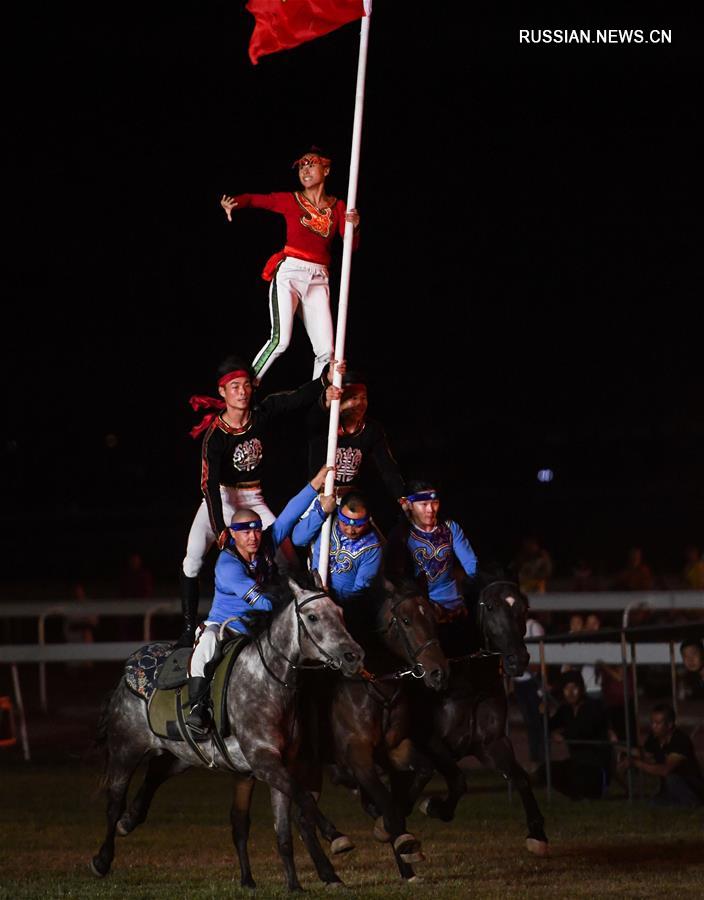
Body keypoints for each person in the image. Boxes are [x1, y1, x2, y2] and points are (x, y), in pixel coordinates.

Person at [178, 355, 340, 647]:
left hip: (252, 496)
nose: (241, 392)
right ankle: (189, 630)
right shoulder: (215, 436)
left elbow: (292, 400)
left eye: (245, 386)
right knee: (192, 558)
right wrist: (220, 529)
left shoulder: (260, 414)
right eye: (234, 387)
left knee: (286, 554)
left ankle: (302, 616)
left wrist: (324, 382)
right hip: (223, 497)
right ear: (222, 392)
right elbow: (209, 486)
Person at [186, 465, 333, 733]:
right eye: (244, 532)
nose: (253, 537)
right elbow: (263, 601)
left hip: (260, 625)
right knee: (206, 645)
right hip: (229, 627)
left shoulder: (266, 542)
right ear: (232, 534)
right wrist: (297, 600)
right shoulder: (227, 566)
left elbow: (288, 515)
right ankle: (197, 706)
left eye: (255, 530)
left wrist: (317, 489)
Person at [220, 147, 360, 380]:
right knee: (281, 340)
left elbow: (350, 247)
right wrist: (235, 202)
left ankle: (319, 403)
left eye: (311, 164)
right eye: (301, 166)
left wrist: (354, 226)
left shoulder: (338, 207)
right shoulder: (291, 200)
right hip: (291, 273)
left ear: (326, 170)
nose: (305, 169)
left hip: (318, 278)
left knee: (327, 352)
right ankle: (248, 386)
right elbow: (257, 200)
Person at [387, 481, 478, 657]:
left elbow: (471, 565)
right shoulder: (401, 535)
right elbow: (395, 576)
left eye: (434, 503)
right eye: (424, 504)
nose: (431, 509)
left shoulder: (450, 528)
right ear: (409, 504)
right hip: (420, 613)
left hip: (454, 609)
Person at [306, 370, 405, 506]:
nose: (360, 403)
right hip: (318, 496)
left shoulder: (371, 429)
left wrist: (401, 496)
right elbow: (313, 417)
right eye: (353, 398)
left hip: (349, 500)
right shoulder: (323, 423)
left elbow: (387, 467)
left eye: (363, 398)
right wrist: (328, 402)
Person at [292, 490, 383, 604]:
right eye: (345, 523)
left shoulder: (372, 548)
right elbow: (298, 539)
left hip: (341, 607)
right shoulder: (328, 519)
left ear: (368, 520)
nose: (350, 531)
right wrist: (321, 512)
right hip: (311, 594)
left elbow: (359, 593)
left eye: (358, 526)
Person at [537, 670, 611, 800]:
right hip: (576, 762)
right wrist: (544, 714)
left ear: (581, 688)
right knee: (545, 770)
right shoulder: (565, 710)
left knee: (579, 774)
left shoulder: (593, 707)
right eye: (566, 688)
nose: (570, 693)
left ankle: (587, 794)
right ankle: (576, 795)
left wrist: (563, 735)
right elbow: (548, 727)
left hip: (595, 765)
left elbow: (585, 730)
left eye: (574, 688)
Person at [619, 705, 704, 808]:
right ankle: (679, 804)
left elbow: (665, 770)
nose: (653, 726)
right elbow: (645, 753)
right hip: (669, 789)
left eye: (657, 723)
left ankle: (691, 802)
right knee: (652, 803)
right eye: (652, 722)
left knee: (671, 778)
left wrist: (635, 763)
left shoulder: (680, 740)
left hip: (689, 787)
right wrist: (620, 748)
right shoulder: (655, 738)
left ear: (669, 724)